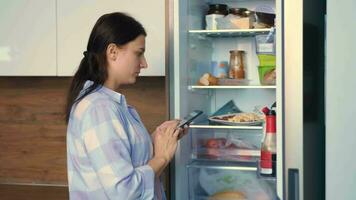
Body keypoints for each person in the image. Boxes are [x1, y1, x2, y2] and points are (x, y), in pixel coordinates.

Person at [65, 12, 186, 200]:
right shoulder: (99, 109)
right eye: (139, 53)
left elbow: (126, 155)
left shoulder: (107, 103)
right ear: (112, 51)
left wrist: (160, 136)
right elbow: (124, 190)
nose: (144, 63)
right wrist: (162, 157)